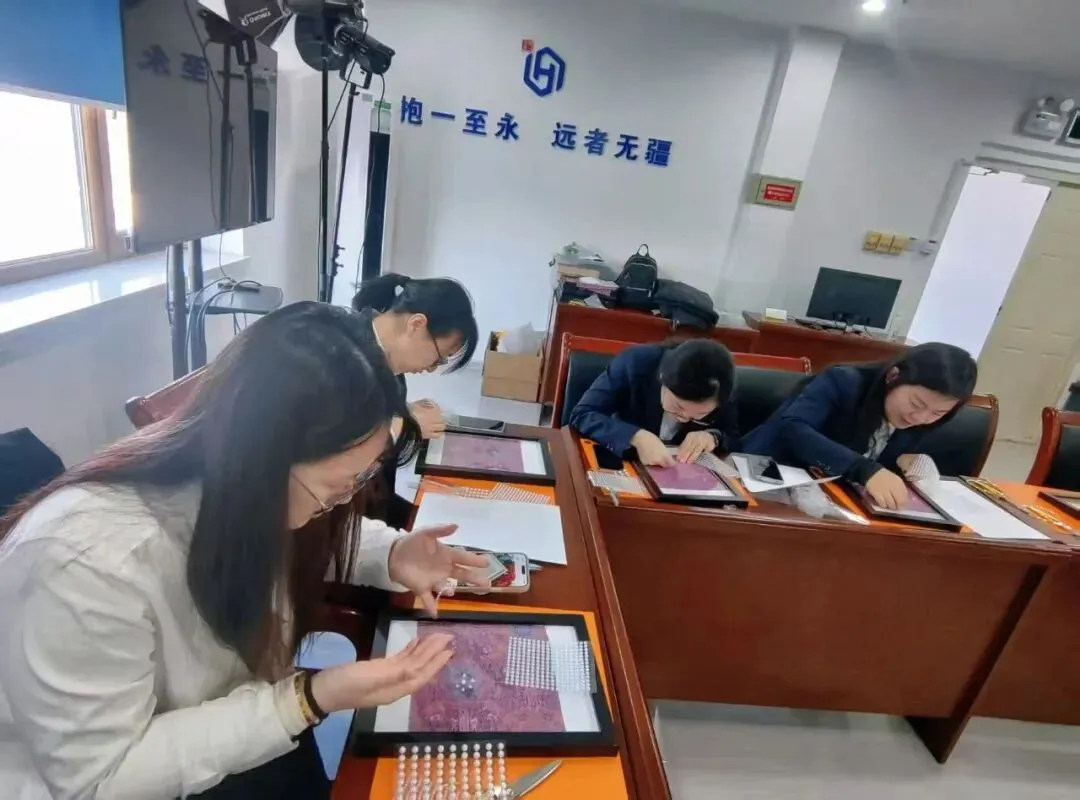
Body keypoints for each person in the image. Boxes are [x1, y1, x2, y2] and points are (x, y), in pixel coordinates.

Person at [0, 302, 489, 800]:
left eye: (356, 482)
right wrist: (307, 697)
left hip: (239, 715)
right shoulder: (87, 563)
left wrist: (393, 552)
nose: (341, 504)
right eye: (337, 489)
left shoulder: (236, 486)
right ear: (262, 460)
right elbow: (103, 779)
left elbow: (310, 521)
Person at [740, 342, 978, 510]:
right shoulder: (843, 382)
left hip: (831, 501)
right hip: (761, 481)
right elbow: (792, 429)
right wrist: (863, 469)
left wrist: (910, 463)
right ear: (893, 376)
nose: (920, 417)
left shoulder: (920, 420)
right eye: (916, 403)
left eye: (938, 413)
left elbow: (882, 462)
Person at [352, 274, 479, 527]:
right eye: (439, 357)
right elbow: (337, 456)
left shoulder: (390, 365)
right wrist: (403, 423)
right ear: (417, 324)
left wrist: (404, 413)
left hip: (373, 509)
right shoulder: (344, 355)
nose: (432, 368)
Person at [569, 339, 739, 467]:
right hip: (621, 463)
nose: (683, 418)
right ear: (662, 379)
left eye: (699, 415)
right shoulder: (636, 364)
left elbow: (732, 436)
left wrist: (712, 437)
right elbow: (583, 414)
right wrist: (635, 436)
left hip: (680, 479)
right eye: (678, 407)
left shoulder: (720, 388)